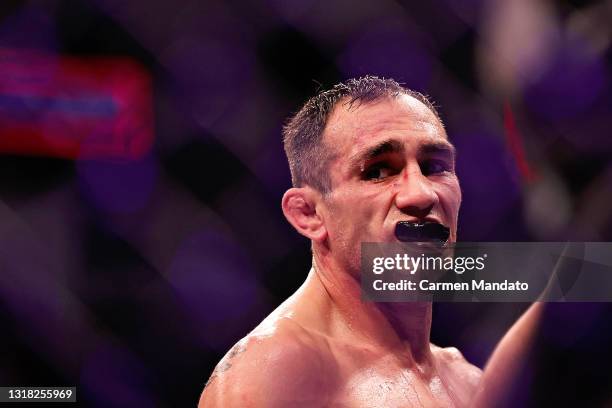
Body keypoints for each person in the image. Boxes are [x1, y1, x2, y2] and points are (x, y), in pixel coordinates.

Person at [199, 76, 531, 407]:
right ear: (309, 214)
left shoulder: (465, 381)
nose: (421, 194)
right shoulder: (275, 373)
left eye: (433, 166)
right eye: (378, 171)